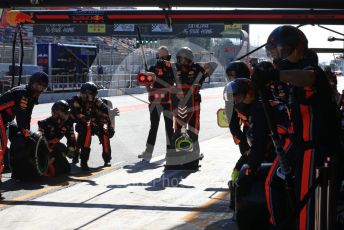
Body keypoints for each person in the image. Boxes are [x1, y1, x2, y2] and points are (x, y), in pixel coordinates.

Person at [252, 25, 341, 230]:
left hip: (316, 148)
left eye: (278, 50)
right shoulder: (287, 75)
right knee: (274, 183)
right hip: (298, 144)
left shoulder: (311, 71)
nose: (275, 56)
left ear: (296, 49)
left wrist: (275, 75)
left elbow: (308, 78)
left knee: (308, 203)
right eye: (272, 52)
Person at [0, 72, 49, 198]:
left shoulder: (31, 96)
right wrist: (25, 130)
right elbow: (21, 114)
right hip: (1, 117)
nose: (40, 88)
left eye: (43, 86)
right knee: (2, 147)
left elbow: (28, 115)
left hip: (7, 119)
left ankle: (12, 165)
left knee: (17, 134)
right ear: (32, 83)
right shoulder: (23, 94)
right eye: (38, 85)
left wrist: (25, 130)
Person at [68, 82, 119, 171]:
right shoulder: (75, 100)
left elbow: (106, 110)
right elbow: (75, 112)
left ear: (94, 95)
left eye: (90, 94)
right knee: (84, 134)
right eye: (85, 94)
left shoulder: (97, 101)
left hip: (96, 123)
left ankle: (107, 158)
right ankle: (81, 159)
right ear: (81, 93)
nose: (87, 96)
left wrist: (111, 115)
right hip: (83, 124)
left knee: (105, 131)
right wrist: (83, 117)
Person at [139, 46, 175, 161]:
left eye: (164, 55)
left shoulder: (172, 67)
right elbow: (146, 82)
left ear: (168, 56)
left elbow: (175, 81)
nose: (162, 58)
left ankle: (171, 151)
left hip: (168, 101)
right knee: (153, 126)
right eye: (160, 55)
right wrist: (147, 85)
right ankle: (148, 152)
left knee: (169, 127)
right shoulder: (153, 68)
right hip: (155, 101)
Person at [172, 47, 208, 155]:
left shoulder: (197, 68)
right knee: (178, 127)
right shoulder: (173, 68)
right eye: (180, 59)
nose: (182, 61)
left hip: (194, 101)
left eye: (185, 59)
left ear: (190, 59)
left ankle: (195, 152)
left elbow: (207, 69)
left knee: (194, 127)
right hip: (178, 102)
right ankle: (176, 152)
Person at [223, 61, 251, 183]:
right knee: (246, 154)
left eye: (231, 76)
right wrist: (239, 137)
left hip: (263, 128)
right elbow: (232, 121)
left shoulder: (256, 88)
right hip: (247, 129)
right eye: (228, 76)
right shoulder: (230, 94)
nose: (229, 79)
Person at [38, 100, 76, 176]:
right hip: (44, 149)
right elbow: (40, 142)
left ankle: (52, 161)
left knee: (66, 169)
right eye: (65, 113)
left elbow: (71, 138)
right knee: (55, 172)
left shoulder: (68, 123)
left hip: (55, 147)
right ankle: (44, 164)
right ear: (56, 113)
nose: (67, 115)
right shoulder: (44, 123)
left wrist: (71, 150)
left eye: (67, 113)